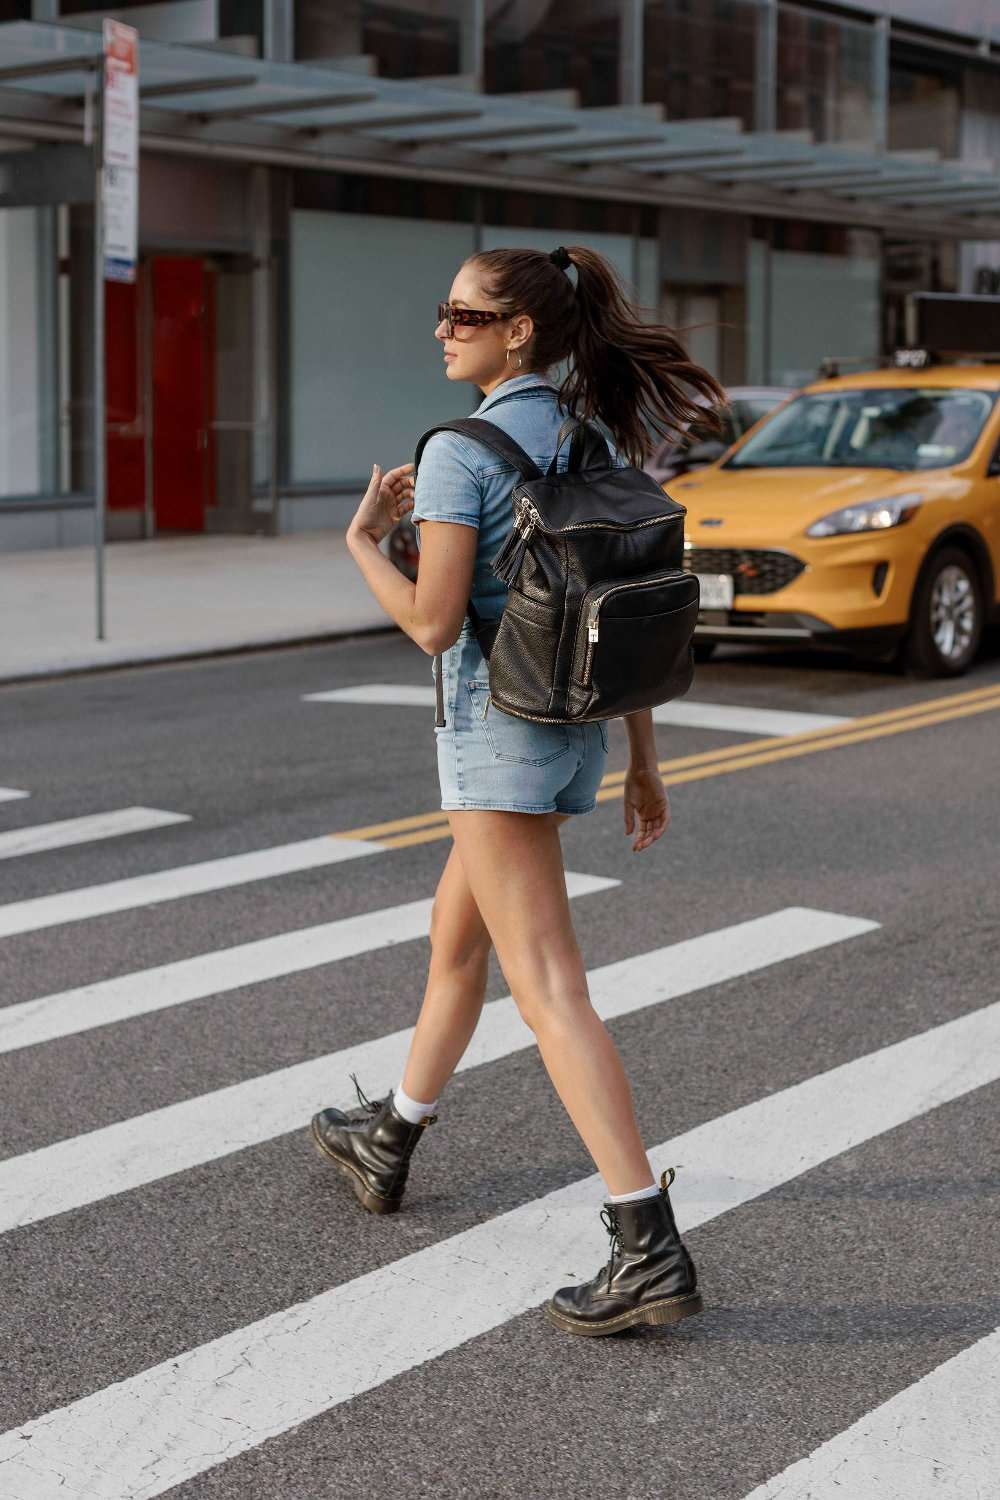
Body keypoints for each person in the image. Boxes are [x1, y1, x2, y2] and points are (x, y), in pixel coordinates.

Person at [310, 244, 724, 1336]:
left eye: (461, 314)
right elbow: (619, 599)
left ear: (519, 332)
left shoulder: (459, 451)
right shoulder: (583, 433)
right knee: (457, 946)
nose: (441, 329)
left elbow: (433, 624)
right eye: (441, 310)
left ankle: (646, 1244)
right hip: (569, 735)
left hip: (496, 744)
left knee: (548, 987)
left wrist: (362, 542)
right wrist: (642, 760)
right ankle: (389, 1134)